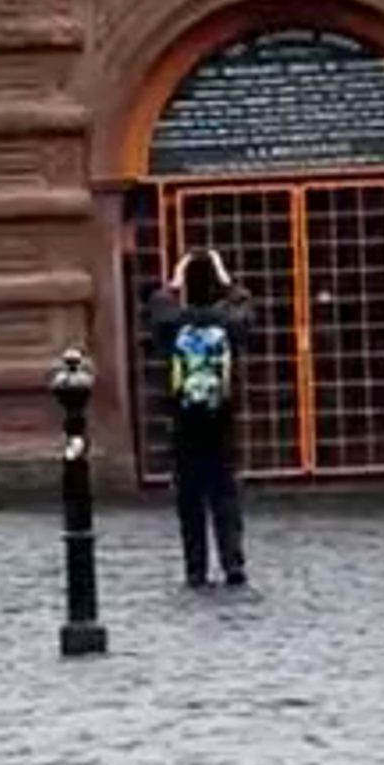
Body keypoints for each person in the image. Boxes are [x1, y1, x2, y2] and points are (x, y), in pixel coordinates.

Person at [162, 239, 250, 591]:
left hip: (184, 424)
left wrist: (176, 277)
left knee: (190, 499)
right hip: (221, 421)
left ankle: (196, 569)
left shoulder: (172, 322)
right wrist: (225, 277)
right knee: (225, 495)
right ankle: (233, 563)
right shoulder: (229, 322)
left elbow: (159, 302)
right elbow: (244, 302)